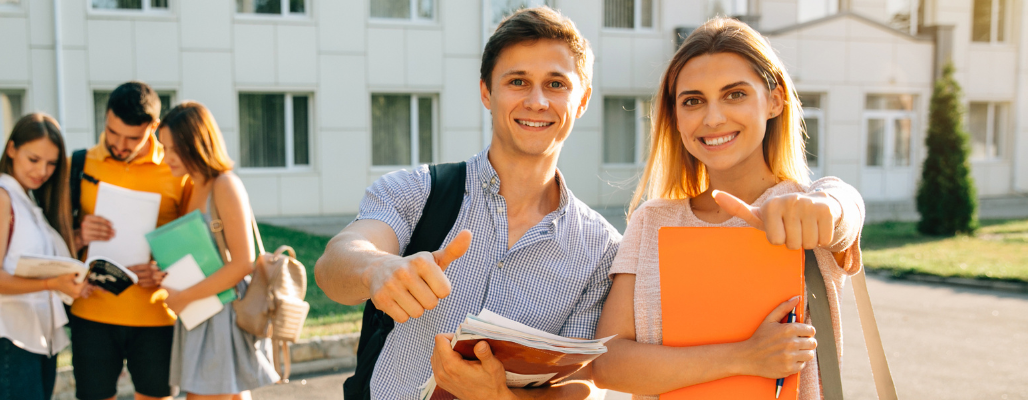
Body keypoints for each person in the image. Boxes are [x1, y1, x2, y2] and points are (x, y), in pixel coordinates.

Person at [316, 7, 619, 400]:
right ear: (486, 93)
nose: (537, 101)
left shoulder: (601, 250)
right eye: (518, 81)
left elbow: (576, 386)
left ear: (582, 100)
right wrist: (377, 269)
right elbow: (334, 263)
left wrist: (499, 397)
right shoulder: (419, 190)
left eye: (556, 84)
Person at [590, 18, 866, 400]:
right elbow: (607, 365)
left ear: (774, 100)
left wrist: (832, 205)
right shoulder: (652, 222)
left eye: (734, 94)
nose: (713, 117)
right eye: (693, 101)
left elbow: (844, 212)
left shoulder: (805, 210)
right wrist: (745, 357)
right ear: (675, 116)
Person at [69, 81, 191, 400]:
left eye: (132, 138)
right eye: (113, 133)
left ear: (153, 128)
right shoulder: (78, 165)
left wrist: (165, 270)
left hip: (156, 314)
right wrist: (80, 233)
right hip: (91, 312)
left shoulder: (177, 168)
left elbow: (194, 241)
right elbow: (53, 240)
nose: (120, 145)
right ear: (106, 118)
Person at [155, 101, 279, 400]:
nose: (165, 157)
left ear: (195, 144)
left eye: (173, 148)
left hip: (222, 312)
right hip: (201, 311)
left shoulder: (224, 185)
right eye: (163, 147)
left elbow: (242, 264)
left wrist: (183, 297)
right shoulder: (190, 186)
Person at [0, 113, 91, 400]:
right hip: (11, 334)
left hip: (38, 336)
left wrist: (79, 240)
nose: (42, 171)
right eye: (33, 159)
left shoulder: (27, 199)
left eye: (51, 163)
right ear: (11, 149)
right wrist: (53, 284)